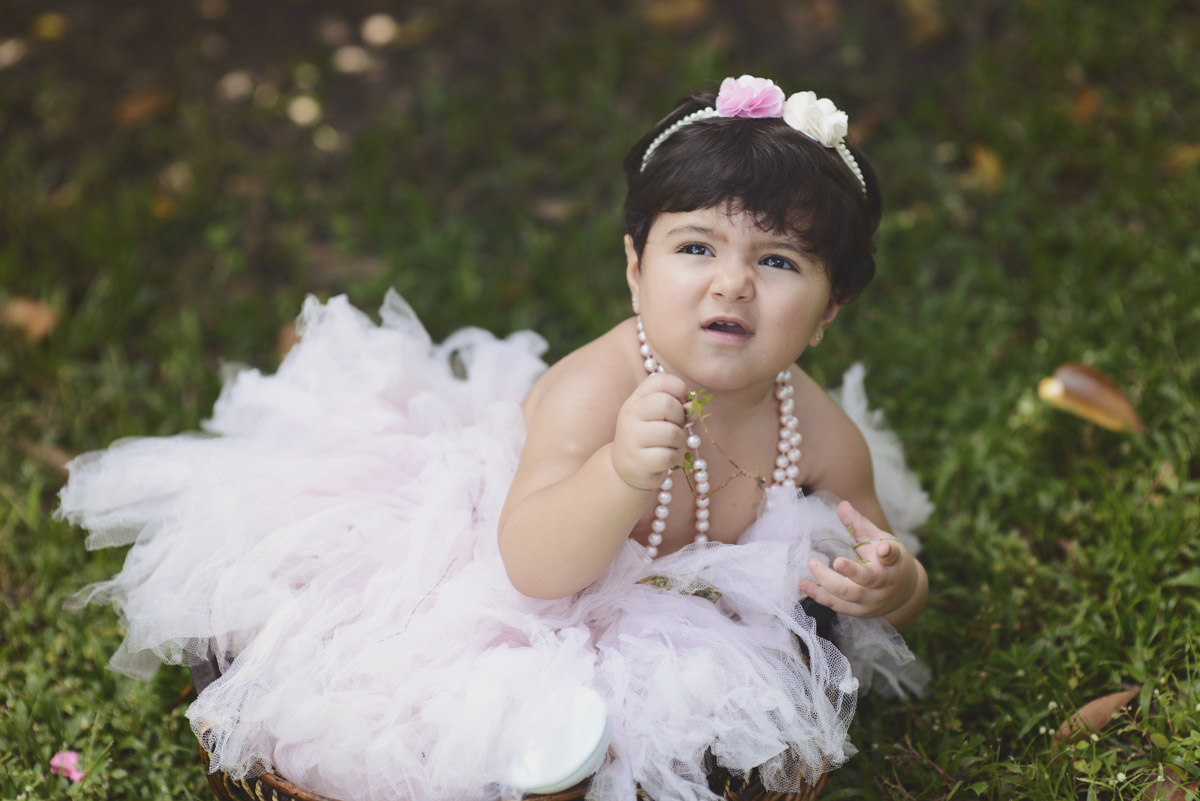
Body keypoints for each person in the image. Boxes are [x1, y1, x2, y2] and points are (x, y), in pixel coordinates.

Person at [58, 75, 932, 801]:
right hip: (517, 587)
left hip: (682, 619)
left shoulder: (818, 432)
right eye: (697, 248)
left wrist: (892, 583)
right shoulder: (595, 392)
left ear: (829, 310)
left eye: (777, 261)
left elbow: (888, 569)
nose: (732, 283)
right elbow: (534, 567)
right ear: (636, 269)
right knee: (478, 701)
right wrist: (620, 470)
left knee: (693, 719)